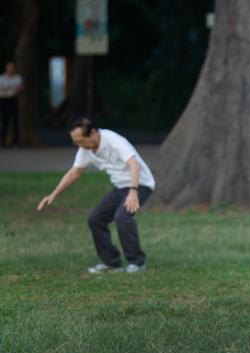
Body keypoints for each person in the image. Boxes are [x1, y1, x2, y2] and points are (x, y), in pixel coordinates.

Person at [37, 117, 156, 274]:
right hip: (120, 187)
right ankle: (112, 263)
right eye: (75, 142)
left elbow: (134, 164)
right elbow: (75, 172)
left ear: (93, 133)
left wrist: (133, 191)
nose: (79, 145)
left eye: (80, 140)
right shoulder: (85, 149)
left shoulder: (113, 140)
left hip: (140, 184)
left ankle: (137, 263)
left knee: (122, 217)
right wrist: (53, 194)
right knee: (96, 219)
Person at [0, 61, 24, 146]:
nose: (10, 69)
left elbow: (18, 89)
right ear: (6, 68)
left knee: (15, 121)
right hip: (4, 100)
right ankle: (3, 142)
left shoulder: (18, 78)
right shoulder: (2, 78)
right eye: (9, 68)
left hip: (13, 100)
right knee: (5, 121)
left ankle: (16, 141)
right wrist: (11, 88)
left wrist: (6, 88)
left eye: (12, 68)